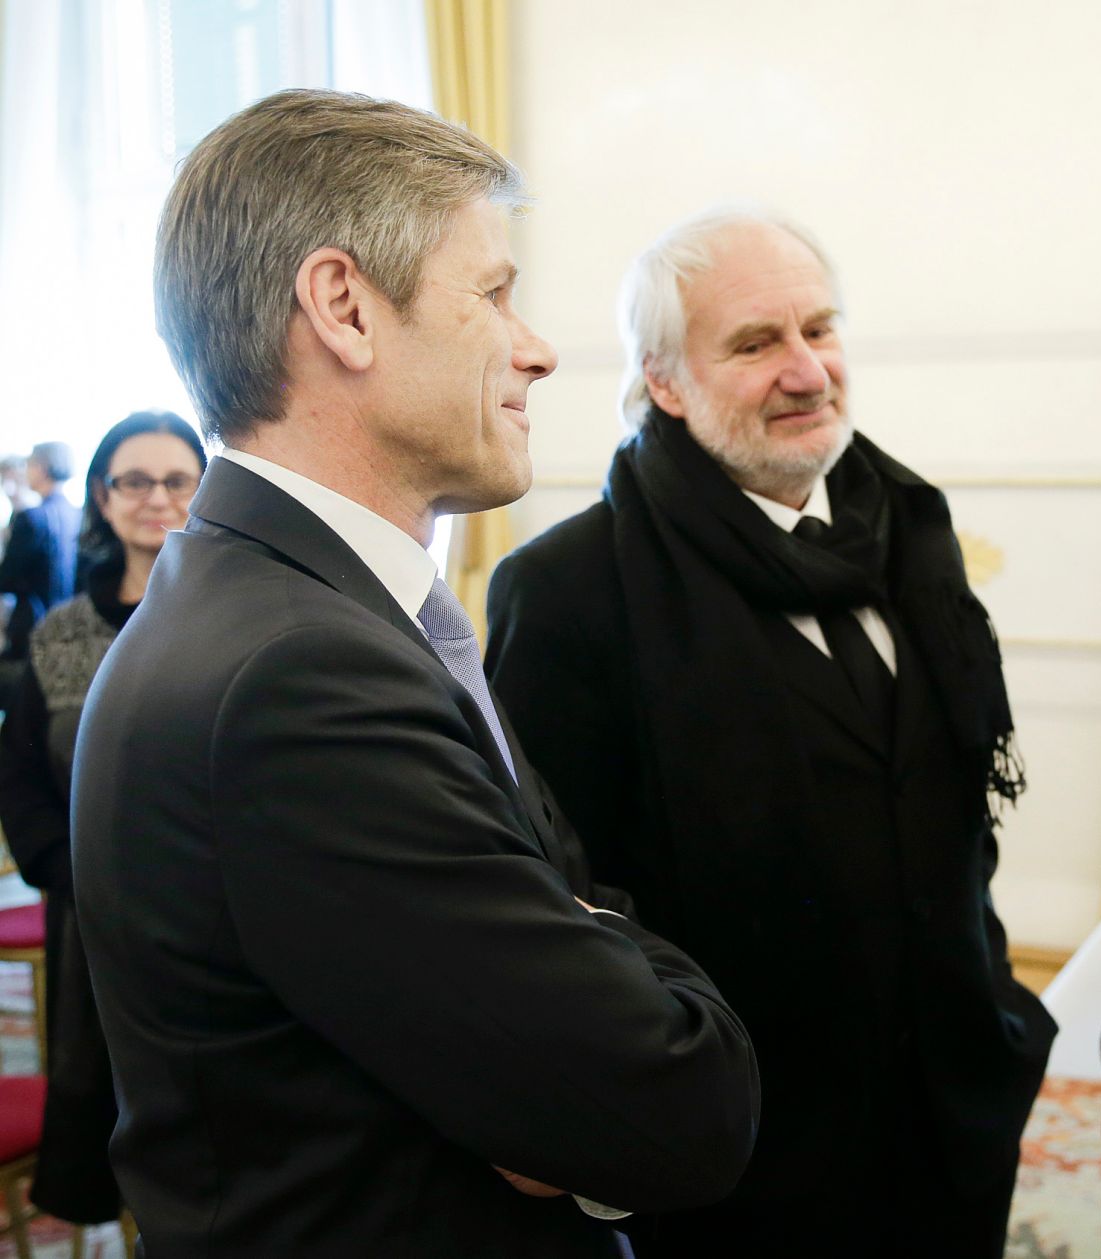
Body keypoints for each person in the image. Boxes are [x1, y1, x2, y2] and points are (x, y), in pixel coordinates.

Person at [72, 90, 758, 1259]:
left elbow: (573, 914)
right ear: (343, 307)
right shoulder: (301, 677)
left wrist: (580, 952)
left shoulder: (277, 608)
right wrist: (605, 984)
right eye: (492, 292)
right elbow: (676, 1103)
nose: (535, 346)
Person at [485, 207, 1056, 1258]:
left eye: (819, 328)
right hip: (738, 1152)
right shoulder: (569, 589)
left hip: (948, 1113)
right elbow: (560, 903)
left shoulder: (914, 532)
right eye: (753, 343)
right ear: (663, 379)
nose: (805, 371)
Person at [0, 411, 205, 1228]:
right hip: (93, 924)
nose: (155, 498)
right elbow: (19, 781)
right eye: (134, 480)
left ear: (204, 491)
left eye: (177, 480)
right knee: (106, 1115)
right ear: (102, 495)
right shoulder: (58, 636)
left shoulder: (237, 617)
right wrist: (73, 871)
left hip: (211, 919)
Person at [0, 441, 80, 671]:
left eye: (30, 464)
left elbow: (6, 578)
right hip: (68, 623)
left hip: (32, 626)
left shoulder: (32, 517)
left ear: (42, 467)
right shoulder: (75, 514)